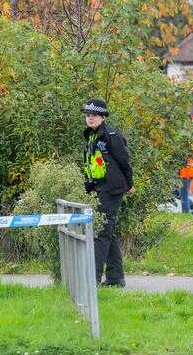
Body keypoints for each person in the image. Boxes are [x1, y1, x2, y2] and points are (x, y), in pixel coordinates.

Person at [81, 98, 133, 288]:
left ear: (102, 117)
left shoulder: (112, 136)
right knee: (108, 233)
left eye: (94, 115)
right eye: (87, 115)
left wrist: (129, 184)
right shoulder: (90, 135)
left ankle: (92, 279)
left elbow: (125, 161)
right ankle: (115, 279)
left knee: (102, 232)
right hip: (99, 187)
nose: (90, 118)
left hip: (112, 188)